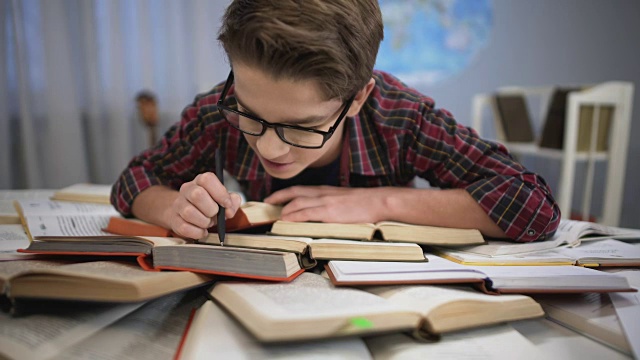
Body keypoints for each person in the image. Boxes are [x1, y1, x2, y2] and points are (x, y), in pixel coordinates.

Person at [111, 0, 560, 243]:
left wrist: (381, 204)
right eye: (249, 115)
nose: (269, 148)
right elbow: (134, 180)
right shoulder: (217, 108)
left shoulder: (401, 117)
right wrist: (173, 208)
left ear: (359, 97)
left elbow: (533, 206)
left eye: (302, 126)